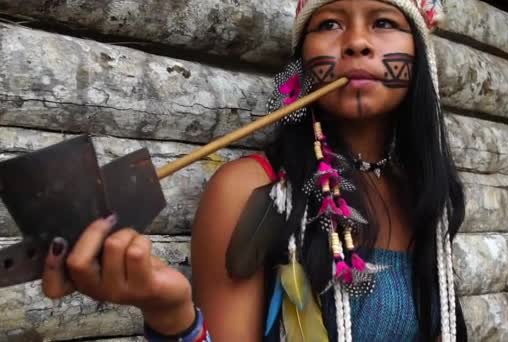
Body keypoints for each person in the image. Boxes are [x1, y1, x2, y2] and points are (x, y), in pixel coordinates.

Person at [41, 0, 467, 340]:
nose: (356, 42)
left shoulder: (425, 196)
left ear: (420, 55)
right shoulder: (250, 188)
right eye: (330, 24)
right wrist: (172, 315)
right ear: (301, 64)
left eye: (383, 21)